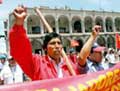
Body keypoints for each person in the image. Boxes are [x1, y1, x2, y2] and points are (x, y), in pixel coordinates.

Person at [9, 6, 101, 81]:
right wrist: (19, 24)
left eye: (59, 43)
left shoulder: (70, 62)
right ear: (45, 48)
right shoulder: (37, 64)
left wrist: (92, 36)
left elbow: (82, 57)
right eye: (52, 43)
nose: (57, 46)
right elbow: (20, 51)